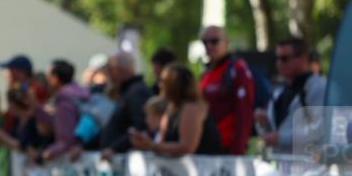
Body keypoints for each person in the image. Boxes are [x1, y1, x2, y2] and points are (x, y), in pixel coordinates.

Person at [129, 62, 222, 156]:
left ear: (176, 85)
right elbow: (162, 142)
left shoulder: (192, 108)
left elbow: (187, 147)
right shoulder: (171, 109)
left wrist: (151, 146)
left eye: (164, 81)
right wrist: (145, 143)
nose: (160, 85)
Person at [255, 37, 327, 154]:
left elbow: (320, 129)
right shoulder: (279, 90)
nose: (279, 63)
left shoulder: (318, 86)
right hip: (280, 161)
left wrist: (281, 138)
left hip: (307, 161)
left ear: (302, 59)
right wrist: (263, 123)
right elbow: (272, 132)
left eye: (284, 59)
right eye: (277, 58)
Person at [198, 26, 255, 155]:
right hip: (207, 144)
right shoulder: (206, 73)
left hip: (227, 147)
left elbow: (244, 111)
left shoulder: (237, 69)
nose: (209, 46)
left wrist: (238, 148)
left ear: (226, 43)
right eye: (205, 42)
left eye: (214, 41)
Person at [98, 51, 152, 157]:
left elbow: (140, 127)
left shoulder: (137, 92)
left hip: (128, 160)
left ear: (121, 69)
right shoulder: (128, 91)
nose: (108, 74)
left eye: (111, 69)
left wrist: (114, 148)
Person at [35, 59, 89, 162]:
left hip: (75, 159)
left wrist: (47, 154)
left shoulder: (65, 101)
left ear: (55, 78)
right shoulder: (80, 93)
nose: (46, 81)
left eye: (48, 77)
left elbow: (66, 140)